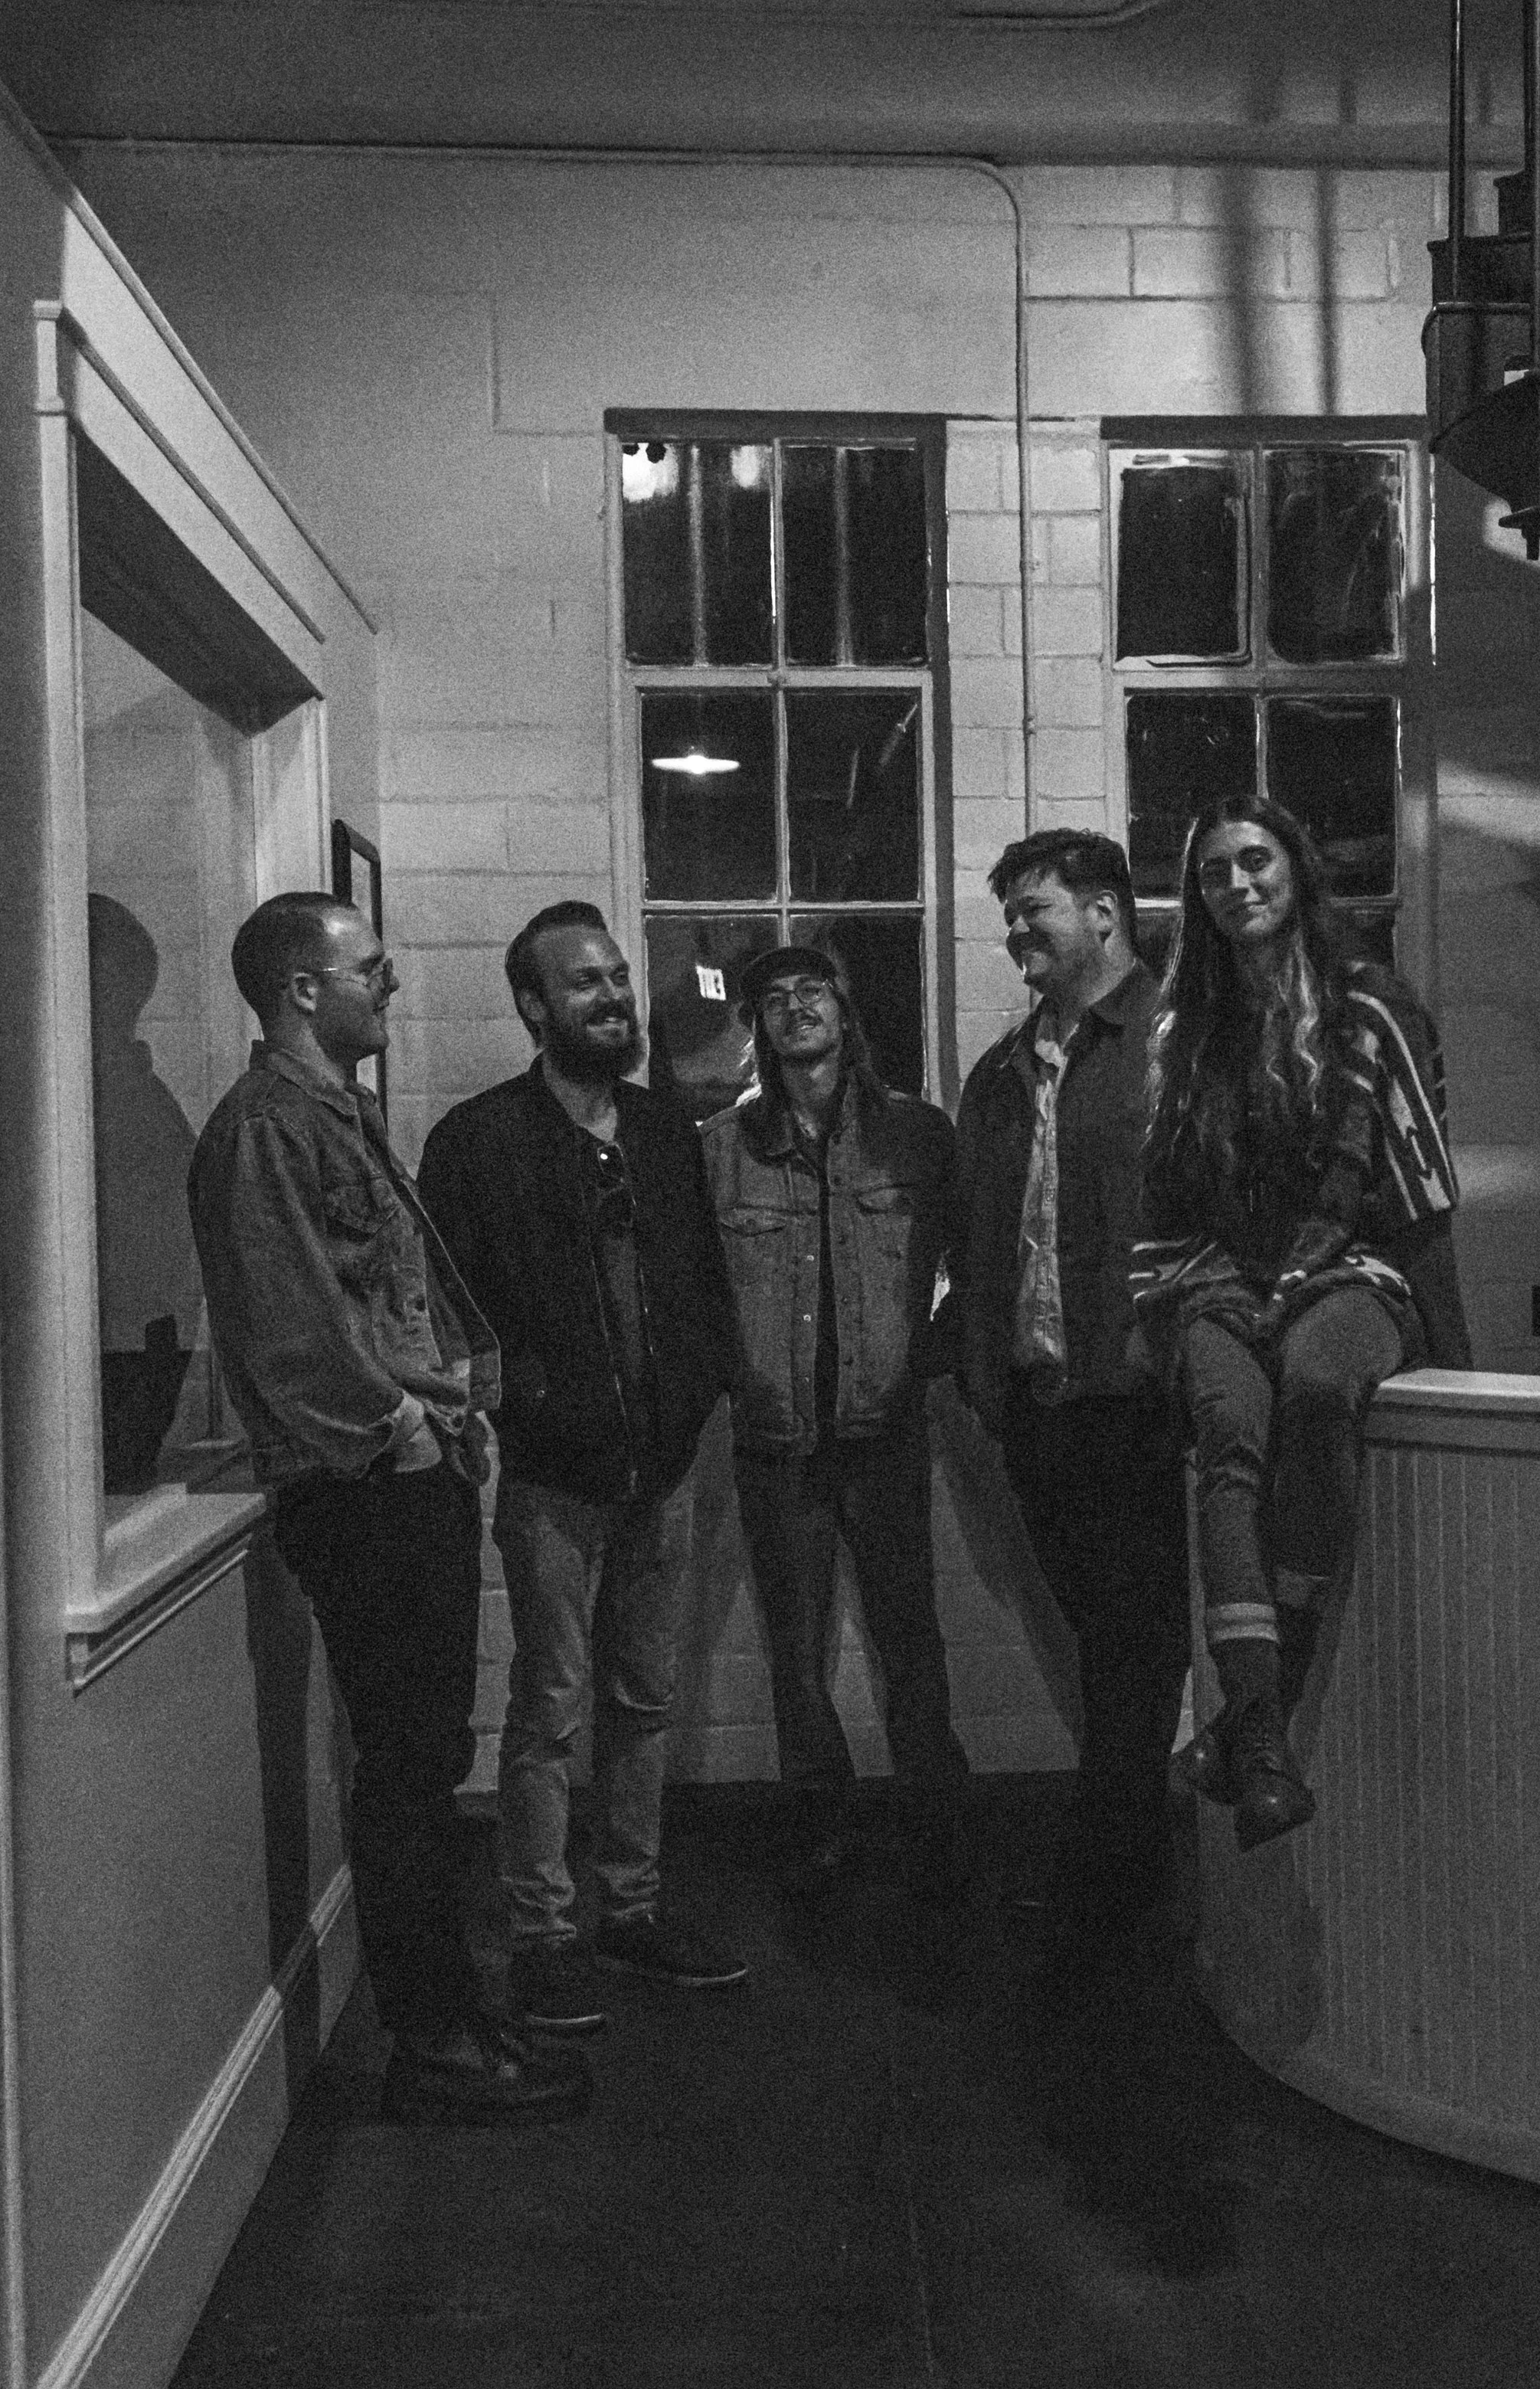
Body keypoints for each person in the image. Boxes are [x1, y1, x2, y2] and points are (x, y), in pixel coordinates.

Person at [188, 891, 590, 2128]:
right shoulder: (267, 1129)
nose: (393, 984)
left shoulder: (329, 1115)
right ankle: (437, 2048)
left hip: (401, 1479)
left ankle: (454, 2018)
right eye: (370, 968)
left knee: (422, 1759)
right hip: (366, 1490)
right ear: (303, 990)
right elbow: (294, 1333)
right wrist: (408, 1432)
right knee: (410, 1770)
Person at [417, 902, 747, 2037]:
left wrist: (696, 1396)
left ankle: (634, 1910)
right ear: (533, 1006)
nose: (612, 997)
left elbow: (701, 1283)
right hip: (555, 1474)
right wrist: (533, 1405)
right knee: (551, 1708)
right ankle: (545, 1932)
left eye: (616, 977)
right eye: (585, 983)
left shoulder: (664, 1131)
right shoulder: (475, 1141)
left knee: (644, 1701)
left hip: (664, 1465)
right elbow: (450, 1309)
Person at [1132, 795, 1472, 1848]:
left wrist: (1456, 1357)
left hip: (1352, 1269)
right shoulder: (1186, 1030)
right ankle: (1268, 1738)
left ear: (1296, 870)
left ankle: (1247, 1716)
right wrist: (1180, 1314)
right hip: (1216, 1277)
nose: (1237, 885)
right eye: (1215, 871)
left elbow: (1417, 1194)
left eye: (1255, 861)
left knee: (1322, 1389)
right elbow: (1163, 1201)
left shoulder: (1370, 1006)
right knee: (1229, 1432)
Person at [948, 829, 1192, 1968]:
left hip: (1137, 1401)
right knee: (1106, 1640)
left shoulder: (1175, 1043)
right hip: (1038, 1403)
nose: (1014, 935)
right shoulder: (1002, 1072)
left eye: (1031, 910)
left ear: (1104, 914)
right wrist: (981, 1377)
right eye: (1008, 916)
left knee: (1137, 1645)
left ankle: (1113, 1883)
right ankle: (1134, 1864)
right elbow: (980, 1236)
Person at [702, 941, 969, 1901]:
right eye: (773, 999)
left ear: (846, 1012)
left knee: (911, 1636)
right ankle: (821, 1820)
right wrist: (735, 1376)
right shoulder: (722, 1151)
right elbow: (695, 1293)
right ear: (758, 1028)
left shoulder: (917, 1137)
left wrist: (923, 1361)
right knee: (795, 1643)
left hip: (886, 1430)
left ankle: (937, 1820)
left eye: (813, 990)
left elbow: (972, 1265)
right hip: (775, 1439)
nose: (794, 1007)